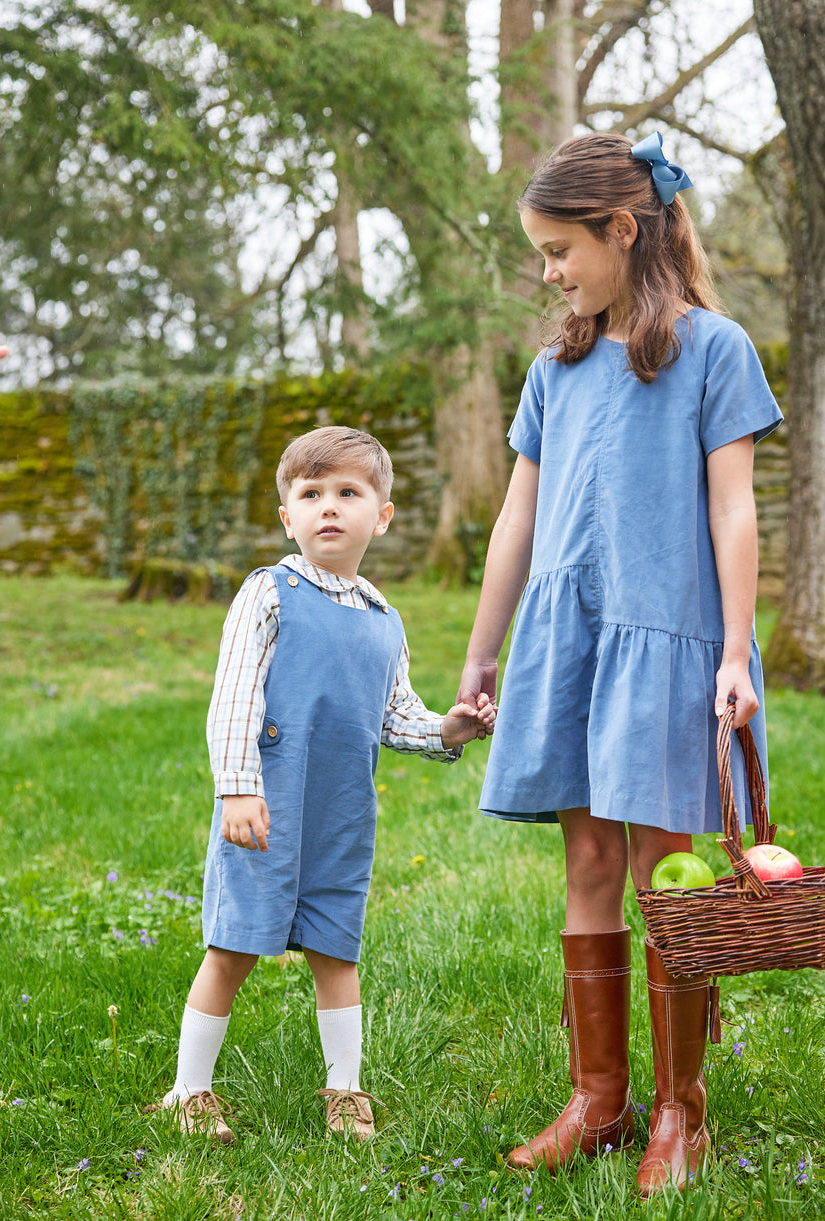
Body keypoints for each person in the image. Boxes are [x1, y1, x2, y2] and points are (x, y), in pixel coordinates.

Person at [458, 131, 782, 1196]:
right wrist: (481, 655)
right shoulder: (558, 365)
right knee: (590, 865)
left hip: (674, 644)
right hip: (577, 643)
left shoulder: (715, 348)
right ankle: (600, 1099)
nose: (550, 272)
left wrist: (735, 651)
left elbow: (733, 510)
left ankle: (680, 1109)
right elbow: (518, 515)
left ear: (623, 229)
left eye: (560, 249)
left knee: (665, 874)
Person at [160, 425, 495, 1145]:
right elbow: (235, 697)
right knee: (234, 945)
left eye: (348, 492)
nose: (328, 507)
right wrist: (239, 787)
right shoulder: (268, 593)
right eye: (310, 494)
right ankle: (189, 1089)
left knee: (338, 949)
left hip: (342, 812)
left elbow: (395, 714)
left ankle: (345, 1087)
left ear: (383, 514)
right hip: (267, 806)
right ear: (288, 516)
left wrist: (449, 730)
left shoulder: (384, 618)